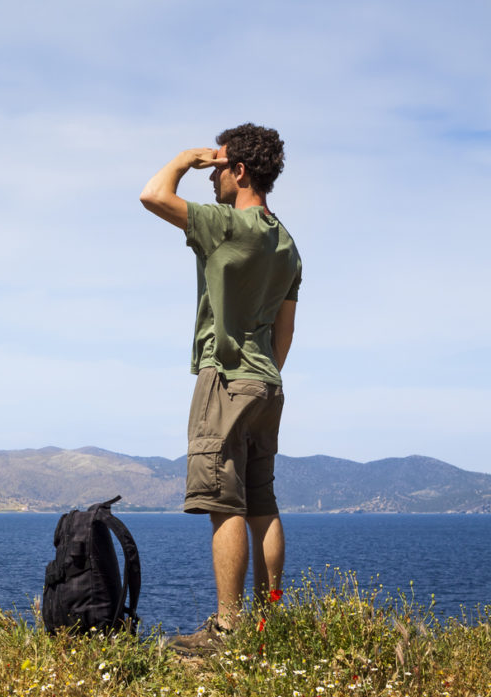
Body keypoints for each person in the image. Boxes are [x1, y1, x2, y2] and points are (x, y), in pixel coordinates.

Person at [139, 123, 301, 654]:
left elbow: (152, 195)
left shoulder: (227, 226)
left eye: (219, 165)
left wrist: (185, 159)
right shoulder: (286, 244)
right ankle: (267, 623)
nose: (212, 175)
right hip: (267, 382)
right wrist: (263, 374)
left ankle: (228, 631)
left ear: (240, 171)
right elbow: (285, 331)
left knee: (223, 502)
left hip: (226, 377)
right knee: (261, 502)